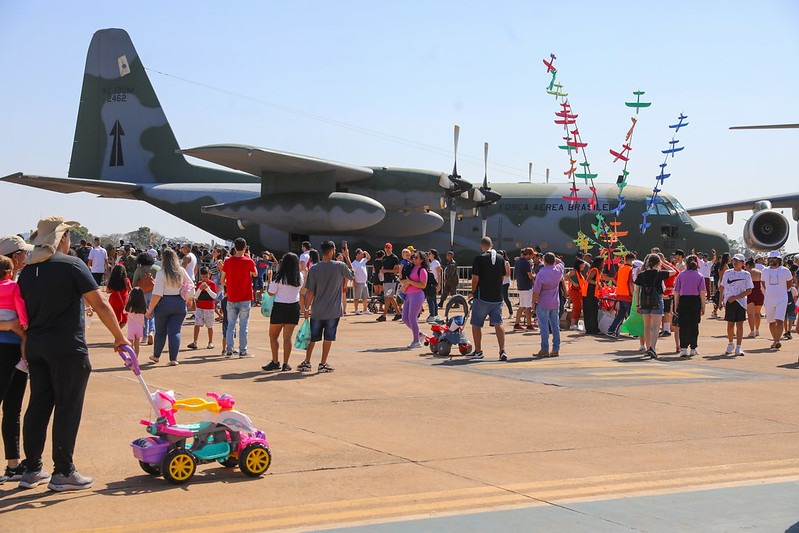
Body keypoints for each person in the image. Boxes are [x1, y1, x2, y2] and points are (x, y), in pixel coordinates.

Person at [17, 216, 129, 491]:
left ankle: (31, 469)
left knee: (39, 405)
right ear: (62, 239)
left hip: (36, 346)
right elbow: (100, 303)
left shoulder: (29, 270)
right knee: (68, 406)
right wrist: (119, 337)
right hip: (67, 348)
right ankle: (63, 472)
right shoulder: (72, 265)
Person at [0, 235, 32, 483]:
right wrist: (10, 325)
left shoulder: (18, 283)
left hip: (15, 352)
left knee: (13, 409)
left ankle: (13, 466)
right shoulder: (14, 286)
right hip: (9, 352)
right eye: (22, 253)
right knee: (11, 410)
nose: (25, 257)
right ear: (13, 257)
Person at [298, 241, 354, 373]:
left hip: (317, 310)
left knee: (313, 337)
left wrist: (306, 308)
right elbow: (352, 275)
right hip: (333, 311)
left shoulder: (315, 268)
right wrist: (347, 257)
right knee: (328, 338)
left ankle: (307, 362)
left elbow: (310, 291)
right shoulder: (339, 266)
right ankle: (322, 363)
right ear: (331, 251)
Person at [146, 248, 194, 366]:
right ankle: (174, 358)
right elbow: (191, 285)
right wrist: (189, 299)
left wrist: (150, 310)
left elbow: (157, 294)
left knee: (161, 332)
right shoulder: (181, 271)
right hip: (179, 302)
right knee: (175, 332)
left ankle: (156, 356)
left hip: (163, 303)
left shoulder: (161, 273)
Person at [467, 237, 508, 361]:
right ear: (492, 245)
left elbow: (475, 279)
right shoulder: (501, 259)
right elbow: (503, 276)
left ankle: (478, 351)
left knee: (476, 324)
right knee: (498, 323)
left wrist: (473, 292)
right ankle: (502, 350)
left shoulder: (479, 259)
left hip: (482, 296)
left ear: (481, 246)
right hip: (497, 297)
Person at [263, 253, 304, 372]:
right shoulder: (299, 276)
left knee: (273, 336)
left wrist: (270, 279)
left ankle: (275, 361)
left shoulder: (279, 277)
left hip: (280, 307)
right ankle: (286, 363)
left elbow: (271, 292)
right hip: (293, 307)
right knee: (288, 338)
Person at [221, 238, 258, 358]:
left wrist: (229, 284)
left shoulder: (228, 262)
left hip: (232, 296)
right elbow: (255, 273)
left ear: (234, 248)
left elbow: (222, 280)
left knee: (231, 324)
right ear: (245, 248)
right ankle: (243, 350)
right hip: (245, 296)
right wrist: (250, 258)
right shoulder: (249, 261)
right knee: (243, 325)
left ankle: (229, 349)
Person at [634, 254, 675, 359]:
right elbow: (674, 271)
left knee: (647, 326)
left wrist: (637, 305)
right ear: (658, 263)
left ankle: (648, 348)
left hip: (644, 302)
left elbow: (637, 291)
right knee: (656, 326)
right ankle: (653, 347)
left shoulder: (641, 275)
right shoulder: (659, 273)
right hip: (657, 301)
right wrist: (664, 263)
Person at [719, 254, 754, 356]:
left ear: (742, 263)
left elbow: (749, 290)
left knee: (739, 324)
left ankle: (738, 347)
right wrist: (720, 301)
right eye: (734, 260)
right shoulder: (727, 273)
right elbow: (722, 287)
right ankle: (730, 344)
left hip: (741, 303)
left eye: (738, 261)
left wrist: (736, 297)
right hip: (729, 302)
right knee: (730, 324)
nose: (735, 262)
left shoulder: (746, 275)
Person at [531, 253, 564, 357]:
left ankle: (544, 349)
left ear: (544, 261)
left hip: (543, 302)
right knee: (555, 326)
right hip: (555, 302)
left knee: (544, 326)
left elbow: (536, 291)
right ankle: (556, 349)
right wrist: (555, 260)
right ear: (554, 261)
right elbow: (561, 262)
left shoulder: (541, 273)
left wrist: (533, 302)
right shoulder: (559, 269)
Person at [673, 255, 706, 357]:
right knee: (694, 325)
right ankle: (693, 348)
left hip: (684, 300)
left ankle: (683, 348)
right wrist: (703, 306)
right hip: (695, 301)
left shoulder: (681, 275)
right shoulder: (700, 276)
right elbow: (702, 292)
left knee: (683, 325)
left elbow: (677, 292)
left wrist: (676, 305)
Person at [761, 250, 793, 350]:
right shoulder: (765, 271)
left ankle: (776, 340)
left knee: (779, 320)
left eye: (774, 258)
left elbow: (789, 283)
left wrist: (782, 292)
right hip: (769, 299)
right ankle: (775, 339)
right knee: (771, 321)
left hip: (782, 299)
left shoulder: (785, 271)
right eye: (770, 258)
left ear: (779, 259)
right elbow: (763, 283)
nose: (772, 260)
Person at [400, 251, 429, 348]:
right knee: (405, 318)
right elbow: (406, 280)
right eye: (414, 257)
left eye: (416, 257)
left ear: (421, 260)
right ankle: (419, 334)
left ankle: (416, 341)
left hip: (417, 295)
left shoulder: (422, 270)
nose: (414, 259)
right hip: (409, 295)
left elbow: (423, 285)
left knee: (412, 318)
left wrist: (410, 282)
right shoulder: (412, 268)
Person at [187, 267, 217, 350]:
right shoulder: (199, 283)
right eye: (203, 277)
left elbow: (214, 296)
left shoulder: (212, 284)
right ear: (201, 276)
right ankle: (195, 341)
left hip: (209, 308)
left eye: (206, 277)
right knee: (197, 324)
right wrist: (200, 289)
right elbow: (195, 296)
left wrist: (207, 288)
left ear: (209, 275)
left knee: (209, 325)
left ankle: (210, 342)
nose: (205, 279)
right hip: (200, 307)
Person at [132, 251, 159, 345]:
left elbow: (134, 283)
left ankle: (144, 336)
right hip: (155, 293)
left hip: (142, 293)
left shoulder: (139, 269)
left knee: (143, 315)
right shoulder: (157, 268)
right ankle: (152, 331)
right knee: (152, 313)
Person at [606, 253, 634, 338]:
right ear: (632, 260)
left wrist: (620, 286)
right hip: (628, 295)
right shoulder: (631, 269)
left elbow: (614, 280)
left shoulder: (621, 268)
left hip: (620, 294)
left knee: (621, 315)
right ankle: (633, 331)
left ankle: (611, 330)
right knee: (631, 315)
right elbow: (630, 283)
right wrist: (633, 295)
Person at [376, 243, 402, 322]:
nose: (387, 249)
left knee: (388, 297)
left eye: (389, 248)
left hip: (391, 279)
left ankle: (384, 315)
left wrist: (386, 271)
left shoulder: (394, 258)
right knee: (388, 297)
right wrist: (381, 272)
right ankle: (397, 313)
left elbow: (397, 270)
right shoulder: (384, 258)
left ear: (391, 248)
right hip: (385, 280)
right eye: (386, 248)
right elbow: (383, 268)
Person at [513, 248, 534, 331]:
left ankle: (517, 324)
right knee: (528, 307)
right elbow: (530, 276)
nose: (532, 256)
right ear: (528, 254)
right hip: (526, 286)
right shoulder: (526, 263)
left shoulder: (518, 262)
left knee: (522, 306)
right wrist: (535, 276)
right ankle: (529, 325)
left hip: (520, 286)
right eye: (532, 255)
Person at [582, 257, 604, 334]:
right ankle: (592, 329)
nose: (603, 264)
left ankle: (591, 328)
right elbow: (588, 279)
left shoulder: (597, 271)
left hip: (591, 293)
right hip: (590, 293)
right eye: (602, 262)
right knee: (592, 311)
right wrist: (596, 283)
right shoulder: (594, 270)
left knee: (591, 311)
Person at [124, 287, 147, 357]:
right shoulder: (143, 307)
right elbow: (147, 314)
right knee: (137, 345)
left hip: (131, 327)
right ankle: (136, 359)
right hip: (140, 327)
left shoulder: (129, 307)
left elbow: (124, 311)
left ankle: (132, 358)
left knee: (130, 344)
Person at [745, 258, 764, 338]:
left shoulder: (746, 273)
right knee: (757, 313)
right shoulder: (759, 272)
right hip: (759, 293)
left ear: (748, 265)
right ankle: (757, 330)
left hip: (750, 293)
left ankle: (752, 331)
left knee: (750, 314)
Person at [567, 258, 586, 331]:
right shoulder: (573, 271)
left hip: (579, 292)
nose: (584, 266)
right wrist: (573, 283)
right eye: (583, 264)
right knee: (577, 307)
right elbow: (566, 276)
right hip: (574, 291)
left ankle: (575, 323)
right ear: (579, 265)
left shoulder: (579, 272)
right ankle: (572, 324)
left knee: (578, 308)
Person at [351, 249, 371, 315]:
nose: (363, 255)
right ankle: (356, 309)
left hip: (364, 282)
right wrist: (354, 282)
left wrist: (366, 252)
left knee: (365, 297)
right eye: (361, 253)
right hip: (358, 282)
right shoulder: (354, 264)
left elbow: (368, 258)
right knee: (357, 297)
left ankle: (365, 309)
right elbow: (352, 274)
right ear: (357, 254)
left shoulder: (363, 261)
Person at [425, 249, 442, 322]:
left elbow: (438, 274)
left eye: (430, 253)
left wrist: (439, 284)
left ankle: (432, 314)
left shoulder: (436, 263)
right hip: (429, 283)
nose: (428, 255)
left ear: (433, 255)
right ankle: (435, 314)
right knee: (433, 299)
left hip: (433, 283)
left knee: (430, 299)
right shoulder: (431, 263)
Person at [499, 250, 513, 318]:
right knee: (498, 298)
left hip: (505, 282)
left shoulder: (506, 263)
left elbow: (508, 274)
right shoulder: (496, 262)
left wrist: (500, 275)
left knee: (505, 298)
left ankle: (511, 312)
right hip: (499, 282)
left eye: (501, 254)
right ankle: (498, 313)